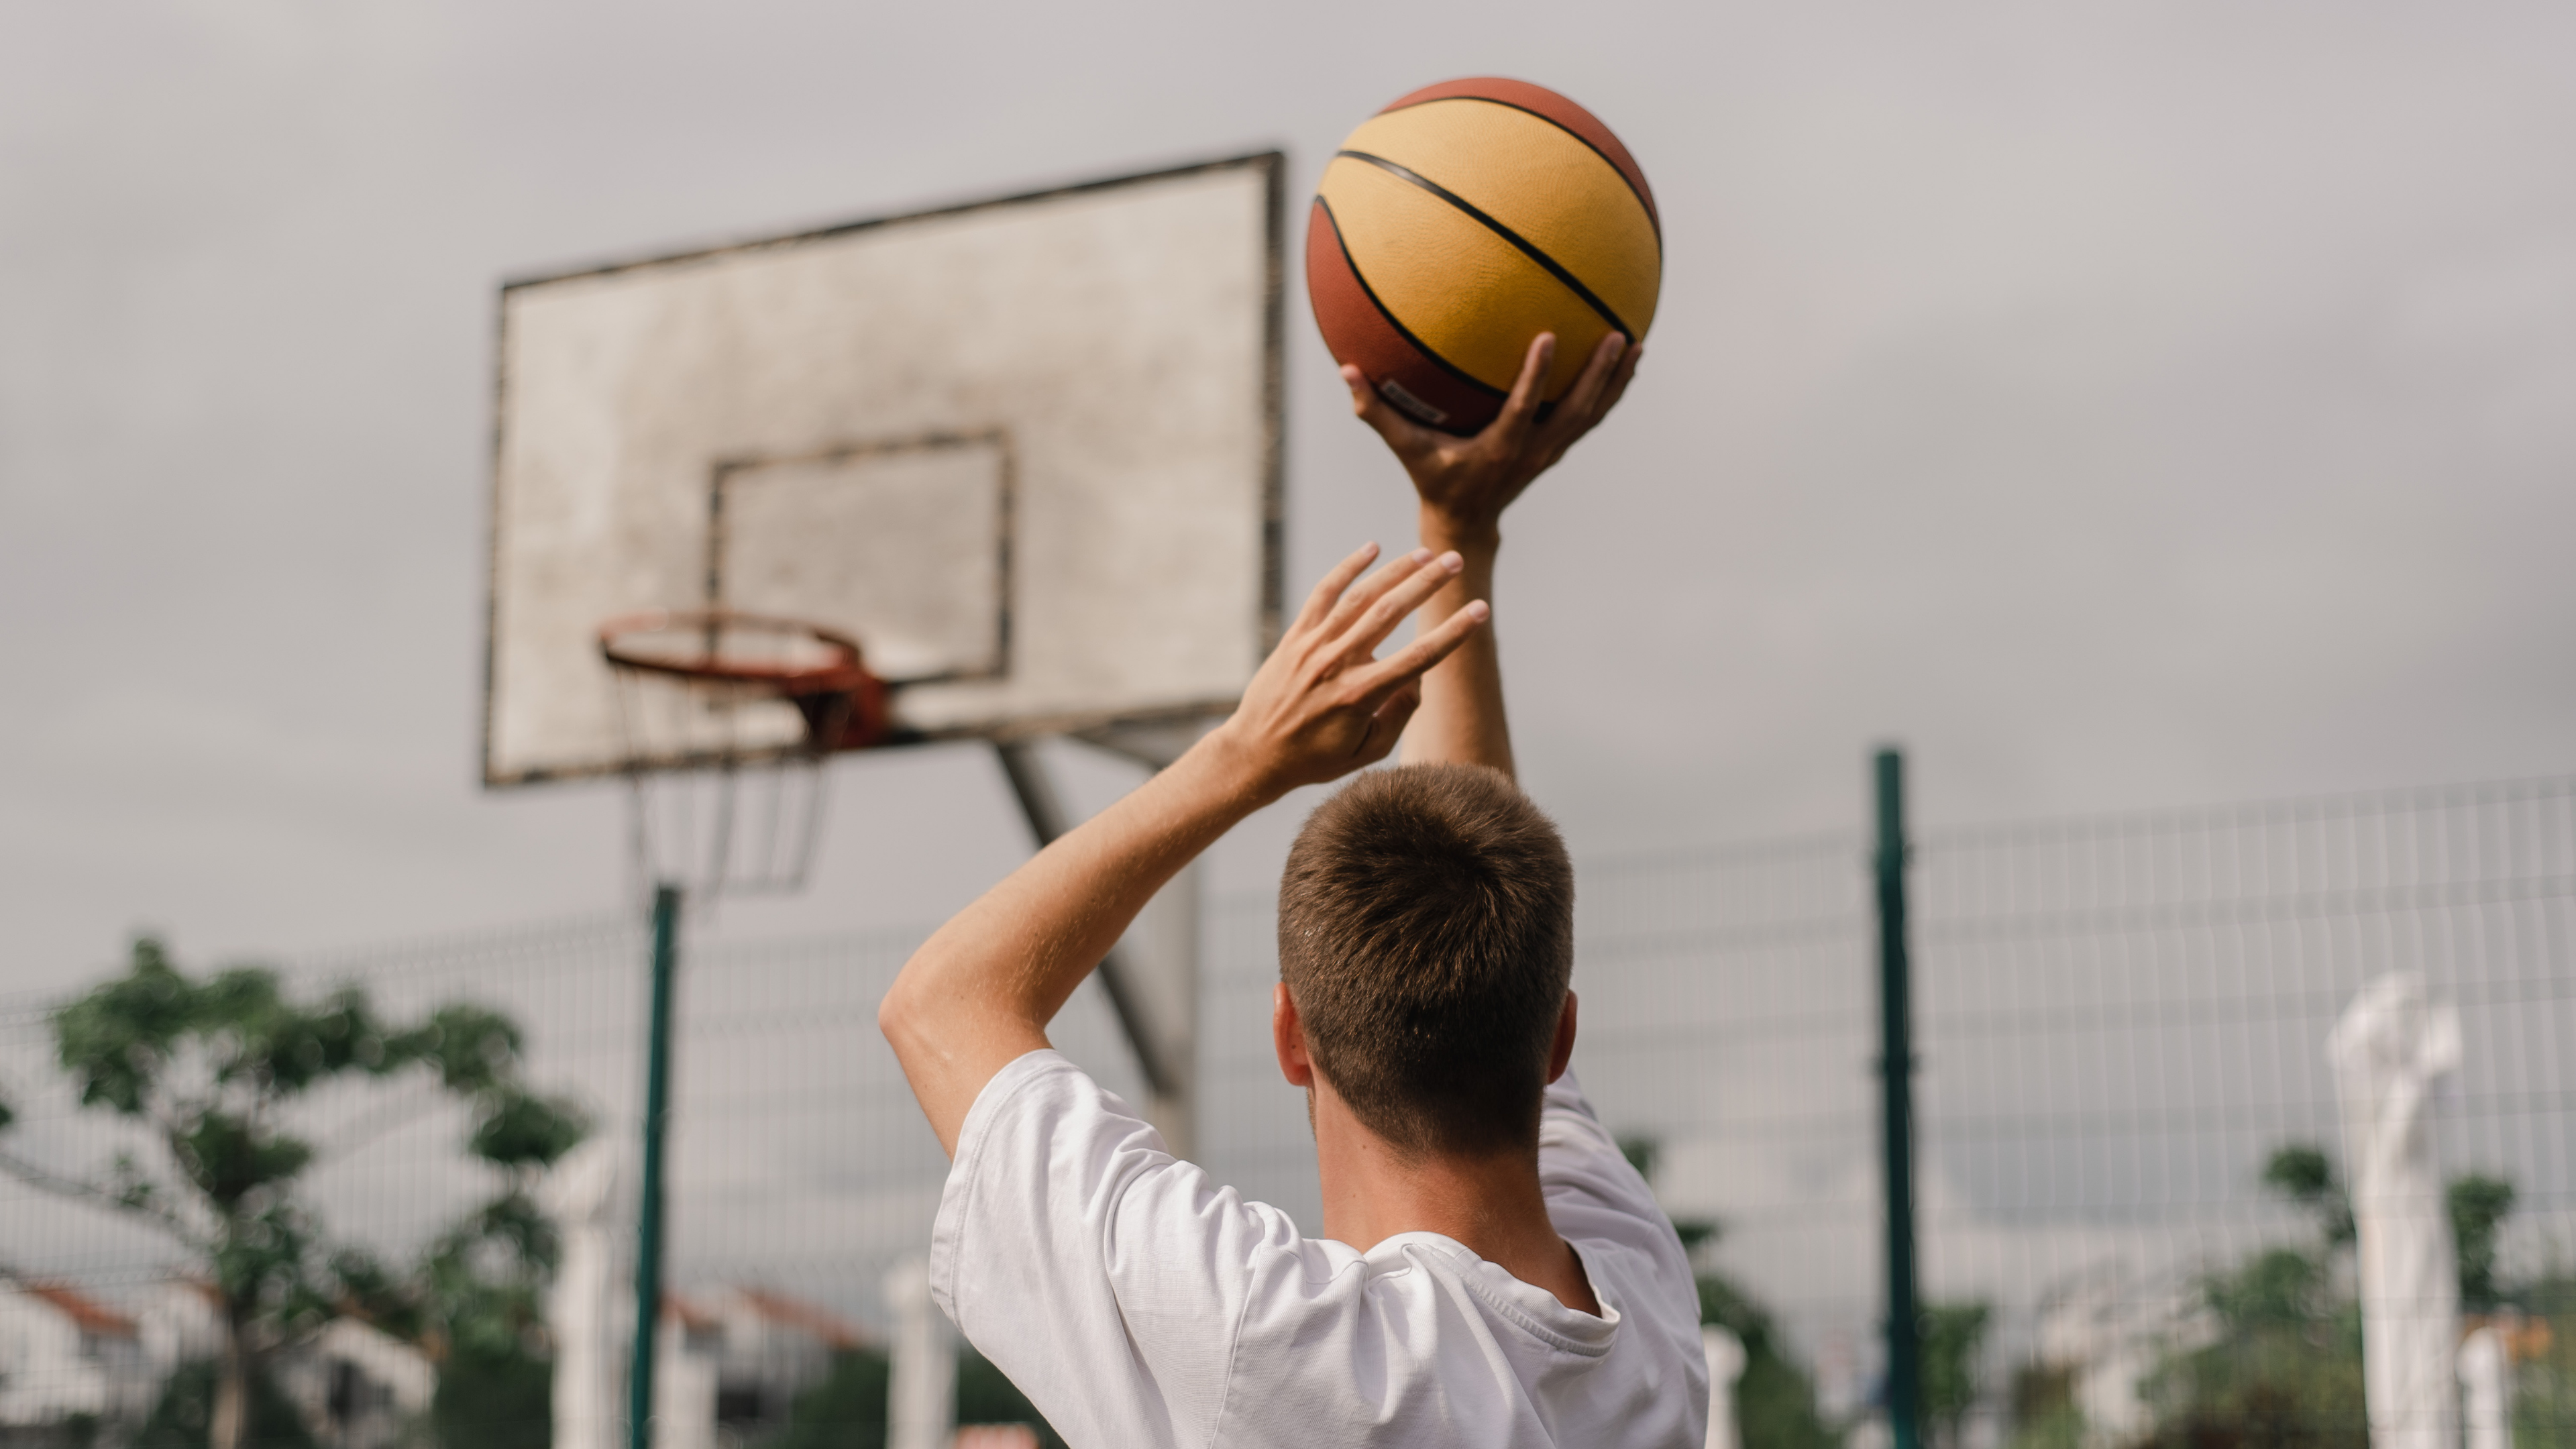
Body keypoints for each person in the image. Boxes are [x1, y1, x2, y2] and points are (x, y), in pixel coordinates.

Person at [881, 330, 1706, 1446]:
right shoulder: (1645, 1313)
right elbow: (1477, 863)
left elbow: (940, 1004)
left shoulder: (1264, 1345)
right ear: (1554, 1039)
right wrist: (1461, 532)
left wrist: (1247, 757)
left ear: (1289, 1034)